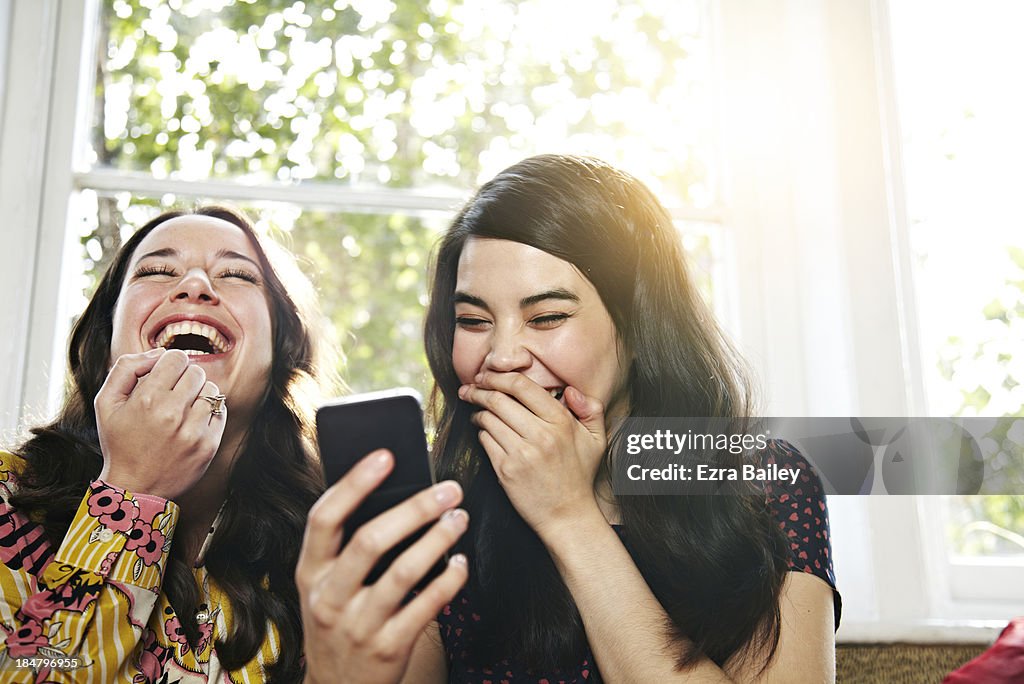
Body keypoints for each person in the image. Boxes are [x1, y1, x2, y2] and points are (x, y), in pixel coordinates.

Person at [415, 154, 840, 681]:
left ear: (640, 327)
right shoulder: (437, 512)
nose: (502, 356)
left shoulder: (765, 484)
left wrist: (569, 517)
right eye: (473, 320)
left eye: (546, 317)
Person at [0, 205, 333, 682]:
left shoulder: (333, 535)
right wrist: (132, 490)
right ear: (105, 335)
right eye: (157, 270)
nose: (196, 285)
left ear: (284, 346)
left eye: (237, 275)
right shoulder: (6, 498)